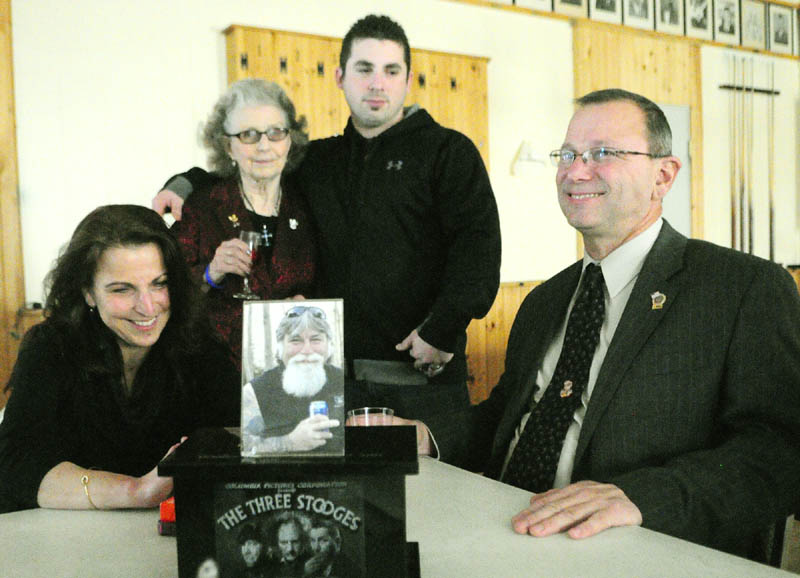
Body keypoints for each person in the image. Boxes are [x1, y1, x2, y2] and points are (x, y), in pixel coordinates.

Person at [415, 89, 800, 560]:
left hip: (637, 552)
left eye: (603, 154)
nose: (576, 171)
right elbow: (505, 417)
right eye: (568, 154)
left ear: (663, 175)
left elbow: (781, 452)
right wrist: (427, 437)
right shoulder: (544, 301)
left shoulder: (741, 289)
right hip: (505, 533)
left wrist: (642, 497)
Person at [152, 14, 502, 426]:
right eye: (364, 69)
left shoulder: (449, 152)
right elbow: (253, 161)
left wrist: (442, 330)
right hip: (333, 380)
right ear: (340, 77)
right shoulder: (319, 160)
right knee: (344, 492)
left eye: (391, 71)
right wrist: (186, 182)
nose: (377, 83)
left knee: (436, 490)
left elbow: (478, 252)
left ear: (408, 81)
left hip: (422, 375)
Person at [0, 205, 240, 513]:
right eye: (122, 289)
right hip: (65, 537)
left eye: (160, 283)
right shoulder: (51, 347)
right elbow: (14, 466)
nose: (147, 306)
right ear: (87, 291)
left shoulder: (197, 343)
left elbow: (239, 434)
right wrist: (136, 491)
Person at [169, 78, 316, 365]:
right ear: (227, 146)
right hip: (217, 369)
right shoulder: (202, 206)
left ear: (289, 140)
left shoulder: (306, 204)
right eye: (248, 135)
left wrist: (306, 305)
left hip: (292, 366)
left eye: (275, 133)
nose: (264, 146)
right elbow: (167, 288)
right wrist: (211, 272)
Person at [241, 306, 343, 455]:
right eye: (296, 340)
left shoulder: (342, 381)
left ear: (329, 346)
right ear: (280, 347)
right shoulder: (255, 391)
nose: (307, 350)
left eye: (316, 340)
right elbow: (244, 449)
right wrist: (290, 442)